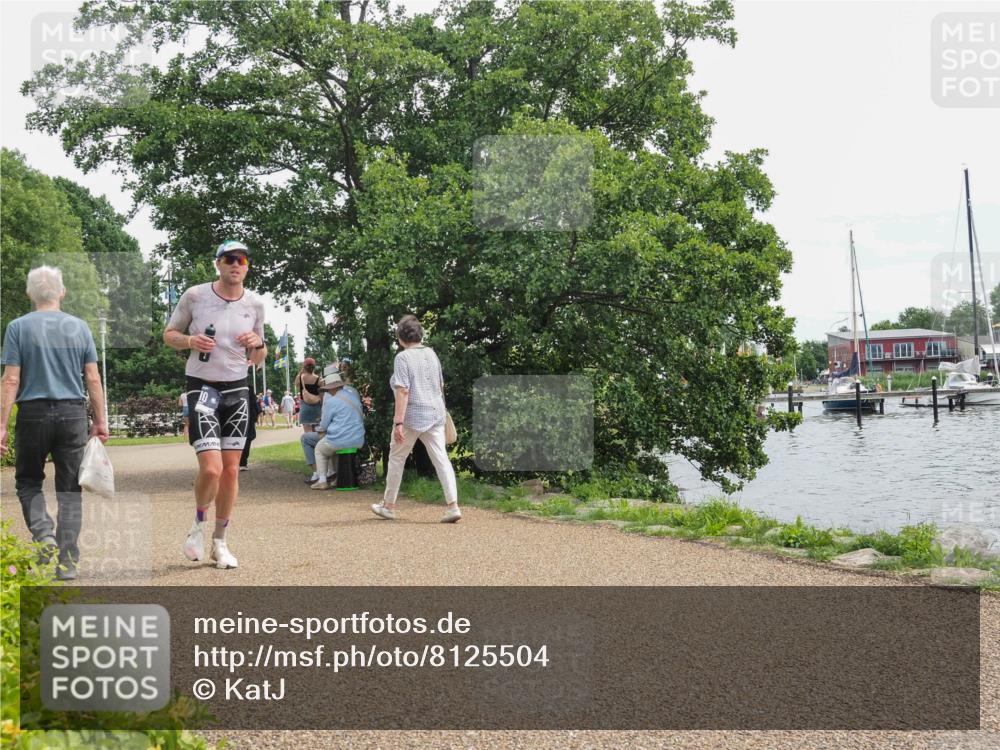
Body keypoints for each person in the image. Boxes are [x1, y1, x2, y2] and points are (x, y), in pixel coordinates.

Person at [0, 266, 110, 580]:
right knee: (70, 491)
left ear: (29, 294)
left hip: (32, 414)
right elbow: (92, 377)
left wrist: (2, 425)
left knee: (28, 482)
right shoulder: (80, 328)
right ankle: (67, 563)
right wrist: (100, 421)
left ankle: (43, 535)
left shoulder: (17, 328)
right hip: (73, 414)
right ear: (62, 293)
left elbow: (10, 380)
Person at [163, 240, 266, 570]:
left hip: (238, 390)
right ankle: (197, 524)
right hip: (203, 387)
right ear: (218, 264)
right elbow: (169, 334)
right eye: (229, 259)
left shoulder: (255, 304)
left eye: (242, 259)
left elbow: (260, 356)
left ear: (247, 267)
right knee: (211, 468)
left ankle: (220, 542)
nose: (236, 264)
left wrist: (258, 344)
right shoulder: (195, 296)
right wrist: (190, 341)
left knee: (232, 469)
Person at [371, 315, 460, 522]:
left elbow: (403, 391)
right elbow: (440, 386)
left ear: (400, 337)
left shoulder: (402, 358)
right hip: (435, 413)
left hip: (412, 417)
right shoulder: (431, 353)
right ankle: (453, 506)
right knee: (441, 460)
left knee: (397, 458)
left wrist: (398, 422)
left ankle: (388, 505)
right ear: (419, 334)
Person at [310, 371, 366, 490]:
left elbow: (324, 425)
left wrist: (321, 427)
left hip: (340, 439)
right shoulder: (353, 396)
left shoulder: (331, 401)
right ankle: (338, 478)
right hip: (358, 438)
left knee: (320, 449)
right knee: (333, 448)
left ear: (331, 388)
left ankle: (322, 481)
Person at [240, 373, 260, 472]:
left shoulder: (245, 389)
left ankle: (239, 462)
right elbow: (256, 407)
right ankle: (243, 463)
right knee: (246, 442)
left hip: (242, 420)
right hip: (247, 422)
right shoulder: (250, 390)